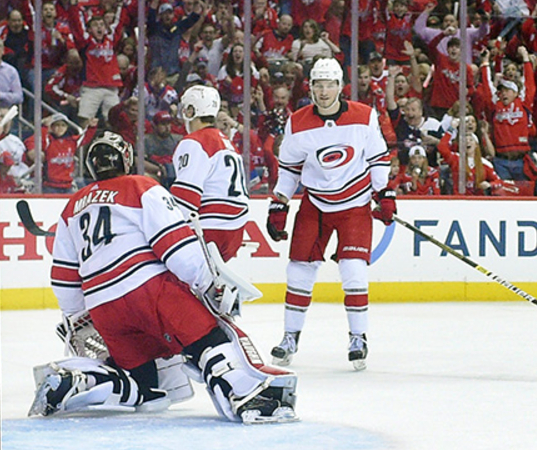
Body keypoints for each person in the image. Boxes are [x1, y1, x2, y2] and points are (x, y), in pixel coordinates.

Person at [30, 132, 296, 424]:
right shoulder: (141, 186)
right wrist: (208, 284)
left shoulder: (72, 206)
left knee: (145, 385)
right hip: (150, 290)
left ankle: (81, 379)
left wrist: (76, 314)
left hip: (103, 307)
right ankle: (246, 396)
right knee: (209, 339)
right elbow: (174, 245)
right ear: (126, 159)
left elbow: (64, 276)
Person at [266, 58, 395, 371]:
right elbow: (289, 169)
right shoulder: (297, 122)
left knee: (353, 271)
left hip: (354, 206)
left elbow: (378, 158)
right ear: (310, 87)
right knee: (298, 271)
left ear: (340, 87)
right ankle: (290, 337)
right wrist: (279, 203)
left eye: (330, 84)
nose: (324, 91)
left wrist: (384, 193)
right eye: (318, 84)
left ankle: (358, 337)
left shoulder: (364, 116)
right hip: (315, 205)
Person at [169, 85, 249, 261]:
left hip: (209, 227)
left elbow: (186, 198)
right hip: (236, 229)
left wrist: (166, 230)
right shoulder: (227, 142)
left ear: (191, 111)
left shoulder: (194, 142)